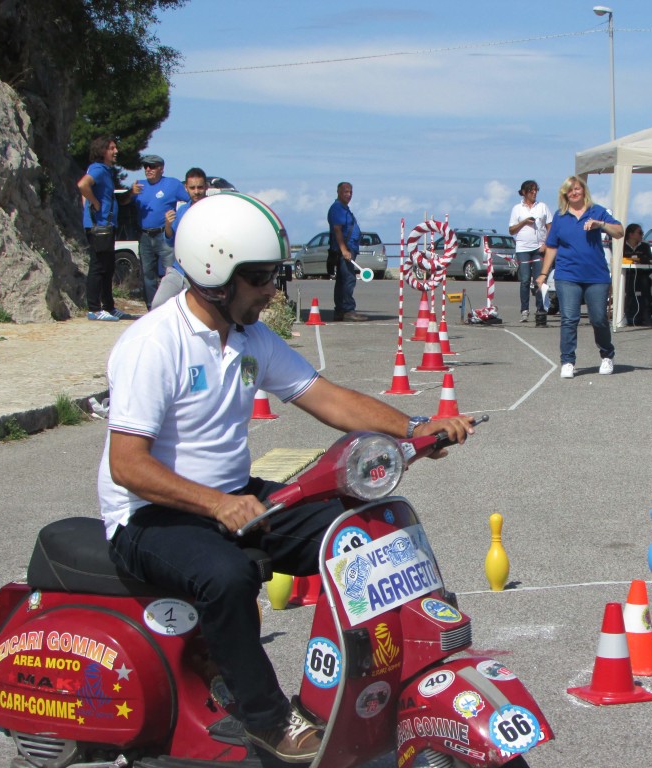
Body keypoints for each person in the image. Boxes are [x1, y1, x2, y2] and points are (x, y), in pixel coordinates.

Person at [99, 192, 475, 762]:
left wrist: (417, 427)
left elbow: (327, 399)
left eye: (275, 275)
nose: (271, 290)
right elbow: (128, 465)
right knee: (225, 577)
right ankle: (267, 720)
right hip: (149, 515)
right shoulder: (154, 344)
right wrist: (217, 506)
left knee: (353, 530)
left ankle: (386, 684)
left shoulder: (249, 338)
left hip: (230, 499)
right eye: (259, 278)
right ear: (214, 276)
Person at [535, 176, 623, 379]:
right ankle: (567, 361)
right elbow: (552, 246)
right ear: (565, 194)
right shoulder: (560, 216)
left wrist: (600, 224)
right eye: (570, 190)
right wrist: (543, 274)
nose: (574, 193)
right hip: (567, 274)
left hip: (596, 275)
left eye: (577, 189)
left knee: (599, 318)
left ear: (584, 191)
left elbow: (619, 231)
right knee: (569, 318)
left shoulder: (597, 211)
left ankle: (607, 355)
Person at [77, 135, 138, 321]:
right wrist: (94, 204)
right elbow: (82, 185)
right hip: (100, 226)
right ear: (102, 151)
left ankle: (109, 307)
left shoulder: (105, 170)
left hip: (106, 225)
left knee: (108, 266)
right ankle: (95, 309)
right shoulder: (98, 169)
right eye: (112, 148)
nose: (116, 151)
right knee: (98, 267)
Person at [134, 154, 190, 309]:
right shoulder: (139, 186)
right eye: (145, 166)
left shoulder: (172, 184)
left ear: (161, 168)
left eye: (152, 166)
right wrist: (130, 193)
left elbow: (190, 200)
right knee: (147, 275)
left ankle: (172, 307)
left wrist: (179, 220)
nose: (148, 169)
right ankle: (152, 308)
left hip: (164, 235)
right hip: (145, 235)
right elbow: (124, 204)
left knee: (170, 274)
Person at [151, 167, 209, 310]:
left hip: (203, 273)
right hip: (179, 270)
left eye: (200, 187)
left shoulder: (213, 209)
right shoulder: (182, 210)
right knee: (158, 304)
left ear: (206, 187)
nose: (196, 191)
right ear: (186, 188)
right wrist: (168, 225)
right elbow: (170, 242)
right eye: (192, 188)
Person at [508, 180, 553, 325]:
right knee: (525, 280)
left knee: (540, 280)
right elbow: (511, 230)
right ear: (524, 192)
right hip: (523, 248)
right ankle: (524, 310)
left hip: (538, 247)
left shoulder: (542, 207)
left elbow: (549, 226)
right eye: (531, 191)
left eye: (536, 191)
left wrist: (546, 244)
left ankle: (540, 310)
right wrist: (524, 222)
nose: (534, 193)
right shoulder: (517, 209)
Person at [327, 182, 366, 321]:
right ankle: (348, 310)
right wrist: (344, 249)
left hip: (349, 249)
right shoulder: (337, 208)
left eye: (350, 192)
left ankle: (340, 311)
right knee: (348, 279)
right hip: (345, 251)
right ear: (338, 192)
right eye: (345, 192)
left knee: (343, 280)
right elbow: (337, 229)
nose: (348, 195)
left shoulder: (344, 209)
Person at [622, 223, 652, 326]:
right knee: (629, 286)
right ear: (631, 234)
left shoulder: (645, 246)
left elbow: (650, 261)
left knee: (645, 283)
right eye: (640, 233)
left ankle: (646, 315)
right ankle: (629, 315)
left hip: (642, 274)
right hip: (627, 275)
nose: (642, 235)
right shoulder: (622, 246)